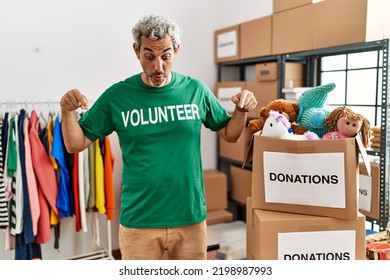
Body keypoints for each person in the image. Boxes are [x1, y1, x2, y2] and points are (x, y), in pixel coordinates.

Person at [60, 14, 257, 260]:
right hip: (139, 221)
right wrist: (67, 111)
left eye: (166, 56)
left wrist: (241, 110)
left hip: (190, 219)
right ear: (136, 51)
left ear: (177, 50)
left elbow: (230, 134)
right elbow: (75, 144)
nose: (158, 67)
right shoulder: (117, 96)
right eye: (149, 56)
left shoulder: (195, 90)